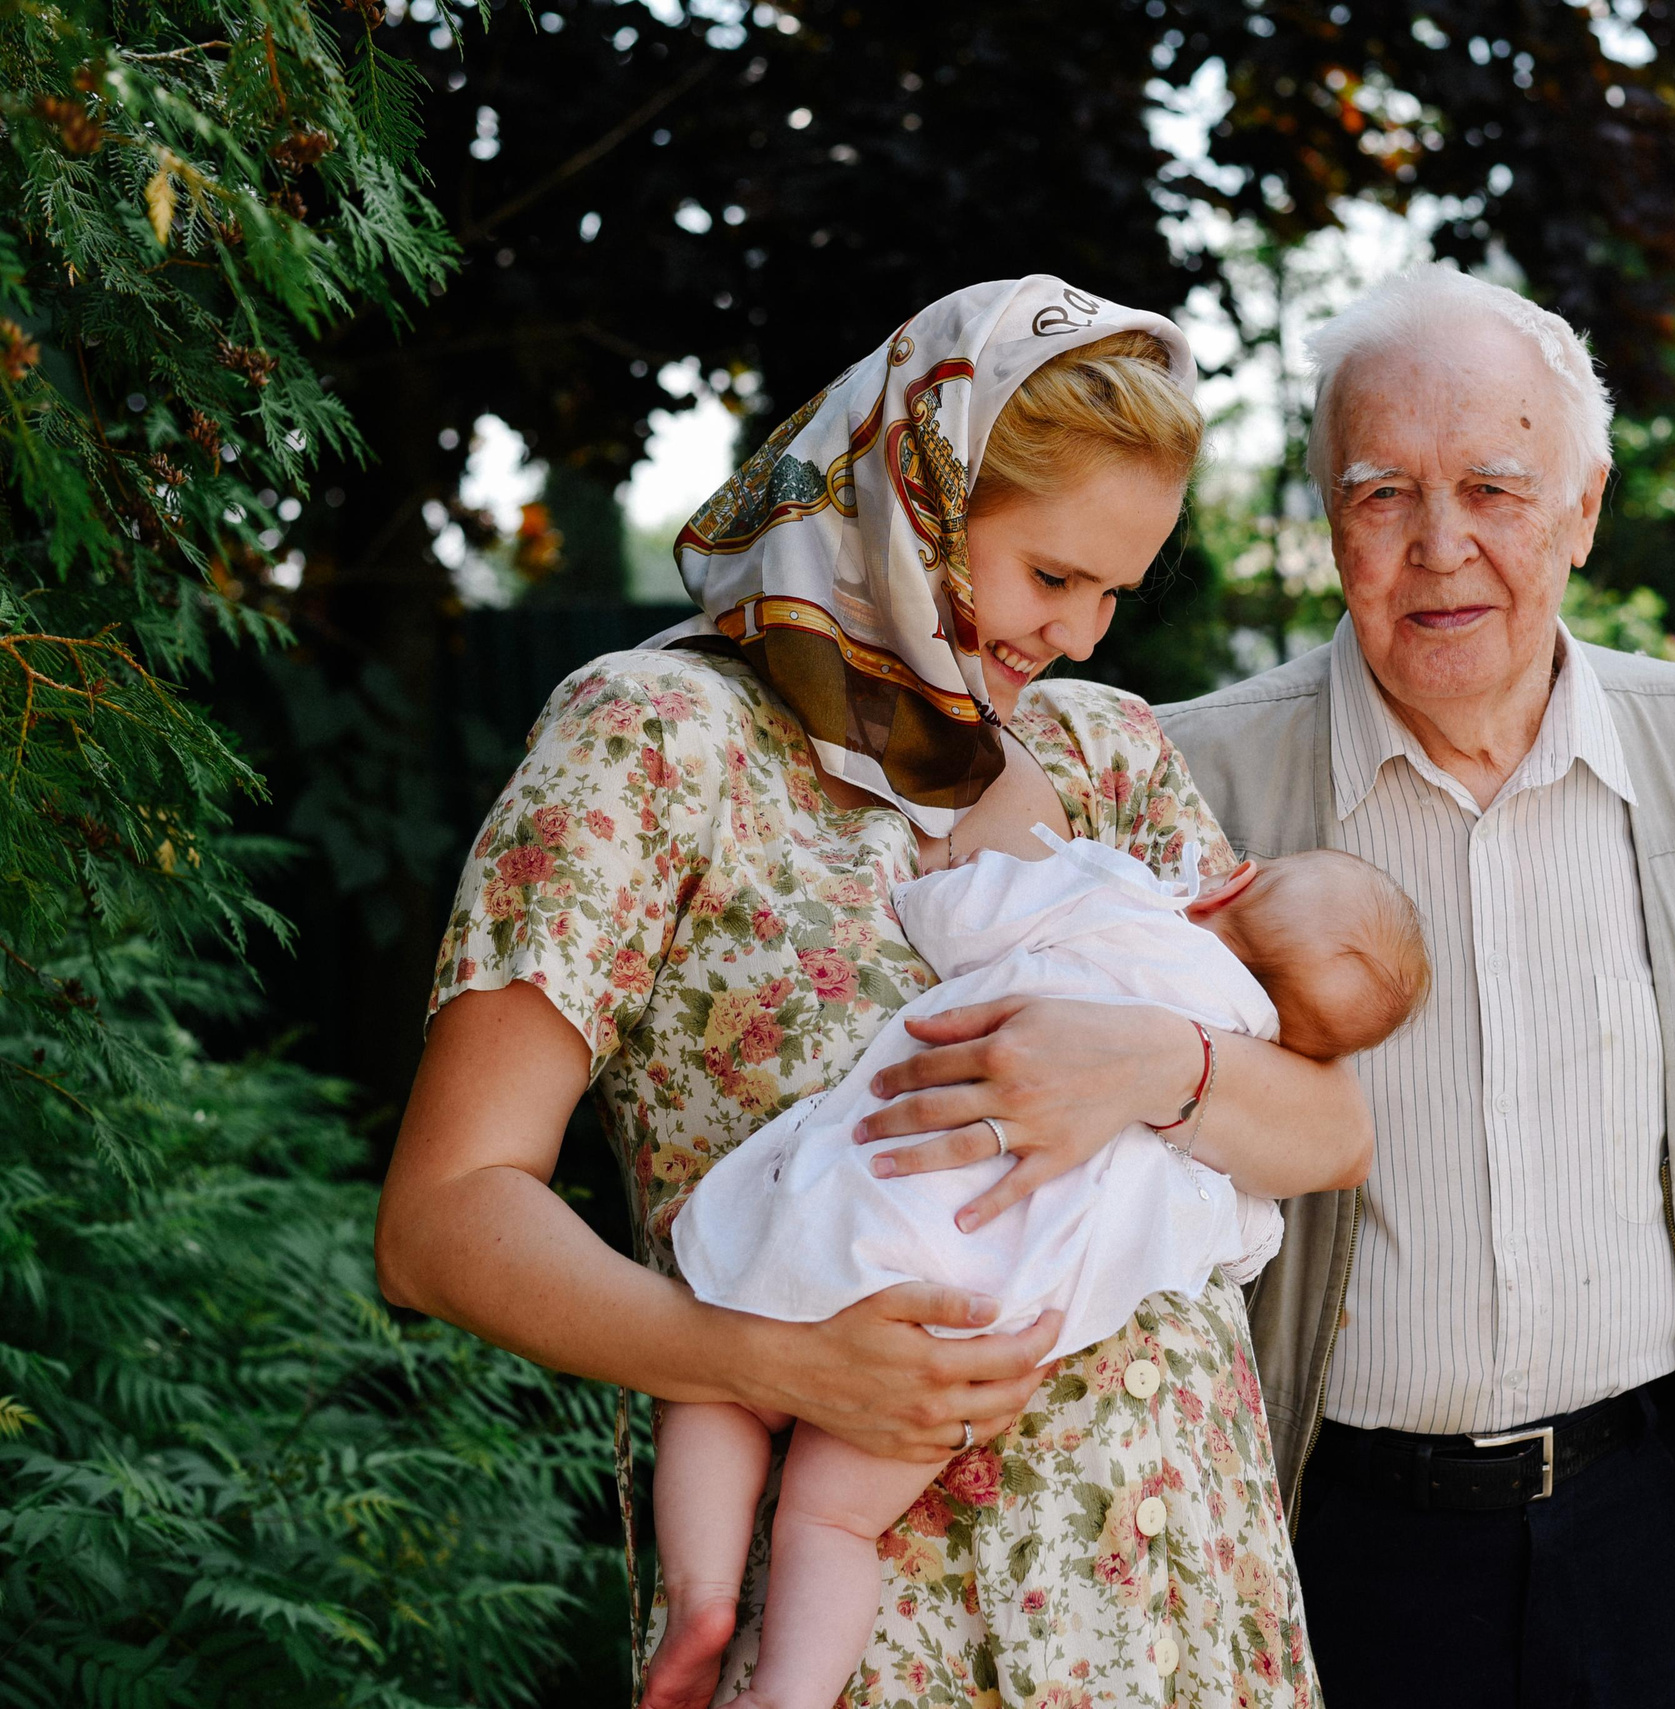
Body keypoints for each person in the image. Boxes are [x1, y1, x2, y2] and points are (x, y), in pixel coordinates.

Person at [376, 276, 1361, 1709]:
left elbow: (1330, 1130)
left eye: (1113, 594)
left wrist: (1156, 1067)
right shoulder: (658, 742)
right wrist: (772, 1359)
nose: (1079, 636)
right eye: (1048, 576)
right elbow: (441, 1219)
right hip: (867, 1647)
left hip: (1175, 1606)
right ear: (924, 501)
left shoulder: (1107, 756)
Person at [1159, 265, 1675, 1707]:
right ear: (1330, 523)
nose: (1439, 546)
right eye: (1381, 493)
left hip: (1647, 1520)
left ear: (1584, 507)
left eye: (1495, 488)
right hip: (1332, 1534)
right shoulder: (1200, 777)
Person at [653, 821, 1427, 1709]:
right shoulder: (1239, 1077)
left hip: (869, 1207)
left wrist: (946, 877)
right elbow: (1244, 1231)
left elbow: (954, 915)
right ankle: (784, 1696)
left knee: (720, 1388)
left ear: (1227, 884)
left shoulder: (1121, 905)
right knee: (832, 1520)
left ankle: (702, 1600)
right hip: (973, 1320)